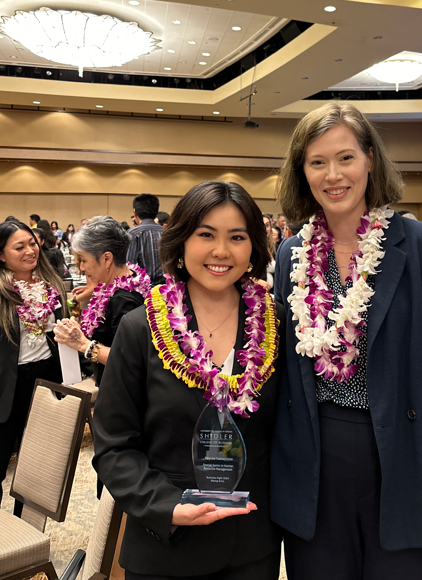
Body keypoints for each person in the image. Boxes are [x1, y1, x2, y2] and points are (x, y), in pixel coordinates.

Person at [272, 102, 422, 580]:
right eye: (317, 162)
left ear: (370, 159)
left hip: (409, 461)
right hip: (316, 469)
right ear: (303, 172)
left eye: (346, 157)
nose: (333, 175)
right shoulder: (291, 254)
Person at [92, 181, 285, 580]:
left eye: (237, 237)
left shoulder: (276, 325)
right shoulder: (140, 328)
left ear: (253, 248)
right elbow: (113, 446)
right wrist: (166, 506)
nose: (221, 251)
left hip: (251, 545)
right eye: (206, 235)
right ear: (181, 242)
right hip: (165, 546)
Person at [0, 221, 67, 510]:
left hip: (45, 376)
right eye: (19, 247)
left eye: (32, 244)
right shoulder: (3, 291)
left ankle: (24, 524)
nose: (30, 251)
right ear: (2, 255)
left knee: (37, 460)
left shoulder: (51, 285)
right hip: (7, 382)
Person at [53, 217, 151, 385]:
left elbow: (129, 359)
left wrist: (83, 344)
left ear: (107, 259)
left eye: (84, 260)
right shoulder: (127, 279)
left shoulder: (123, 299)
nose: (82, 268)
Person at [127, 193, 165, 285]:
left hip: (142, 290)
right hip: (167, 290)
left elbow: (129, 266)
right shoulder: (167, 233)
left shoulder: (132, 234)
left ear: (134, 212)